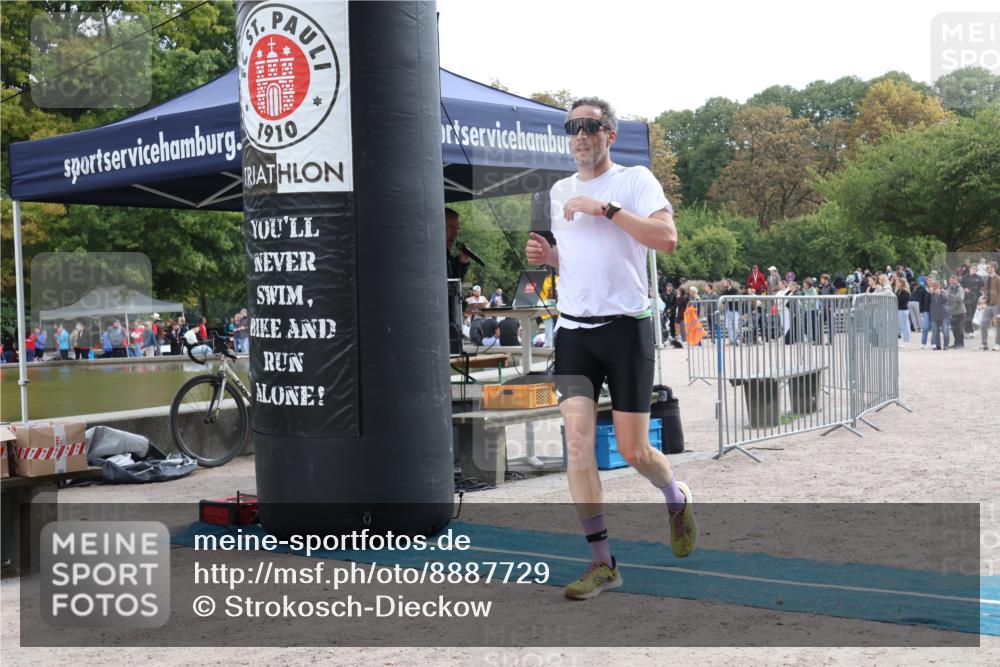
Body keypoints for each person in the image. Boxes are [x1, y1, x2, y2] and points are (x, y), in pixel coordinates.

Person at [523, 96, 695, 601]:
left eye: (591, 126)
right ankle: (602, 563)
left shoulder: (634, 180)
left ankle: (674, 494)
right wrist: (551, 255)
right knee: (577, 447)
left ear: (609, 135)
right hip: (574, 332)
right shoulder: (557, 191)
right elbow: (579, 258)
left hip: (626, 330)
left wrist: (608, 209)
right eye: (573, 126)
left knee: (633, 450)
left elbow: (666, 239)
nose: (580, 135)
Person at [445, 207, 471, 281]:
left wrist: (462, 262)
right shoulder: (429, 256)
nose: (455, 233)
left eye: (457, 229)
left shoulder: (448, 257)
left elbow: (453, 285)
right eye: (451, 227)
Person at [980, 263, 1000, 351]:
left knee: (998, 325)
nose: (987, 268)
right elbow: (986, 291)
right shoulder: (987, 279)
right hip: (988, 305)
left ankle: (998, 344)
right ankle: (984, 344)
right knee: (983, 324)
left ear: (993, 268)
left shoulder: (998, 279)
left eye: (988, 267)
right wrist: (983, 298)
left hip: (997, 305)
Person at [929, 280, 951, 350]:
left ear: (939, 286)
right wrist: (929, 293)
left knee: (945, 330)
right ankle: (938, 345)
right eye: (934, 286)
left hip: (944, 314)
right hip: (934, 314)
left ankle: (946, 345)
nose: (935, 287)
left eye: (936, 285)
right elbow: (926, 301)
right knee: (935, 331)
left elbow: (946, 299)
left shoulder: (944, 291)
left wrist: (940, 293)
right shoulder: (931, 293)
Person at [896, 279, 911, 348]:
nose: (897, 283)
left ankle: (907, 341)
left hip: (903, 310)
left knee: (905, 326)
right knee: (902, 326)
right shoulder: (899, 290)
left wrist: (896, 301)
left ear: (901, 283)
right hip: (899, 309)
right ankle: (905, 341)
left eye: (898, 282)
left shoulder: (905, 291)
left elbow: (902, 300)